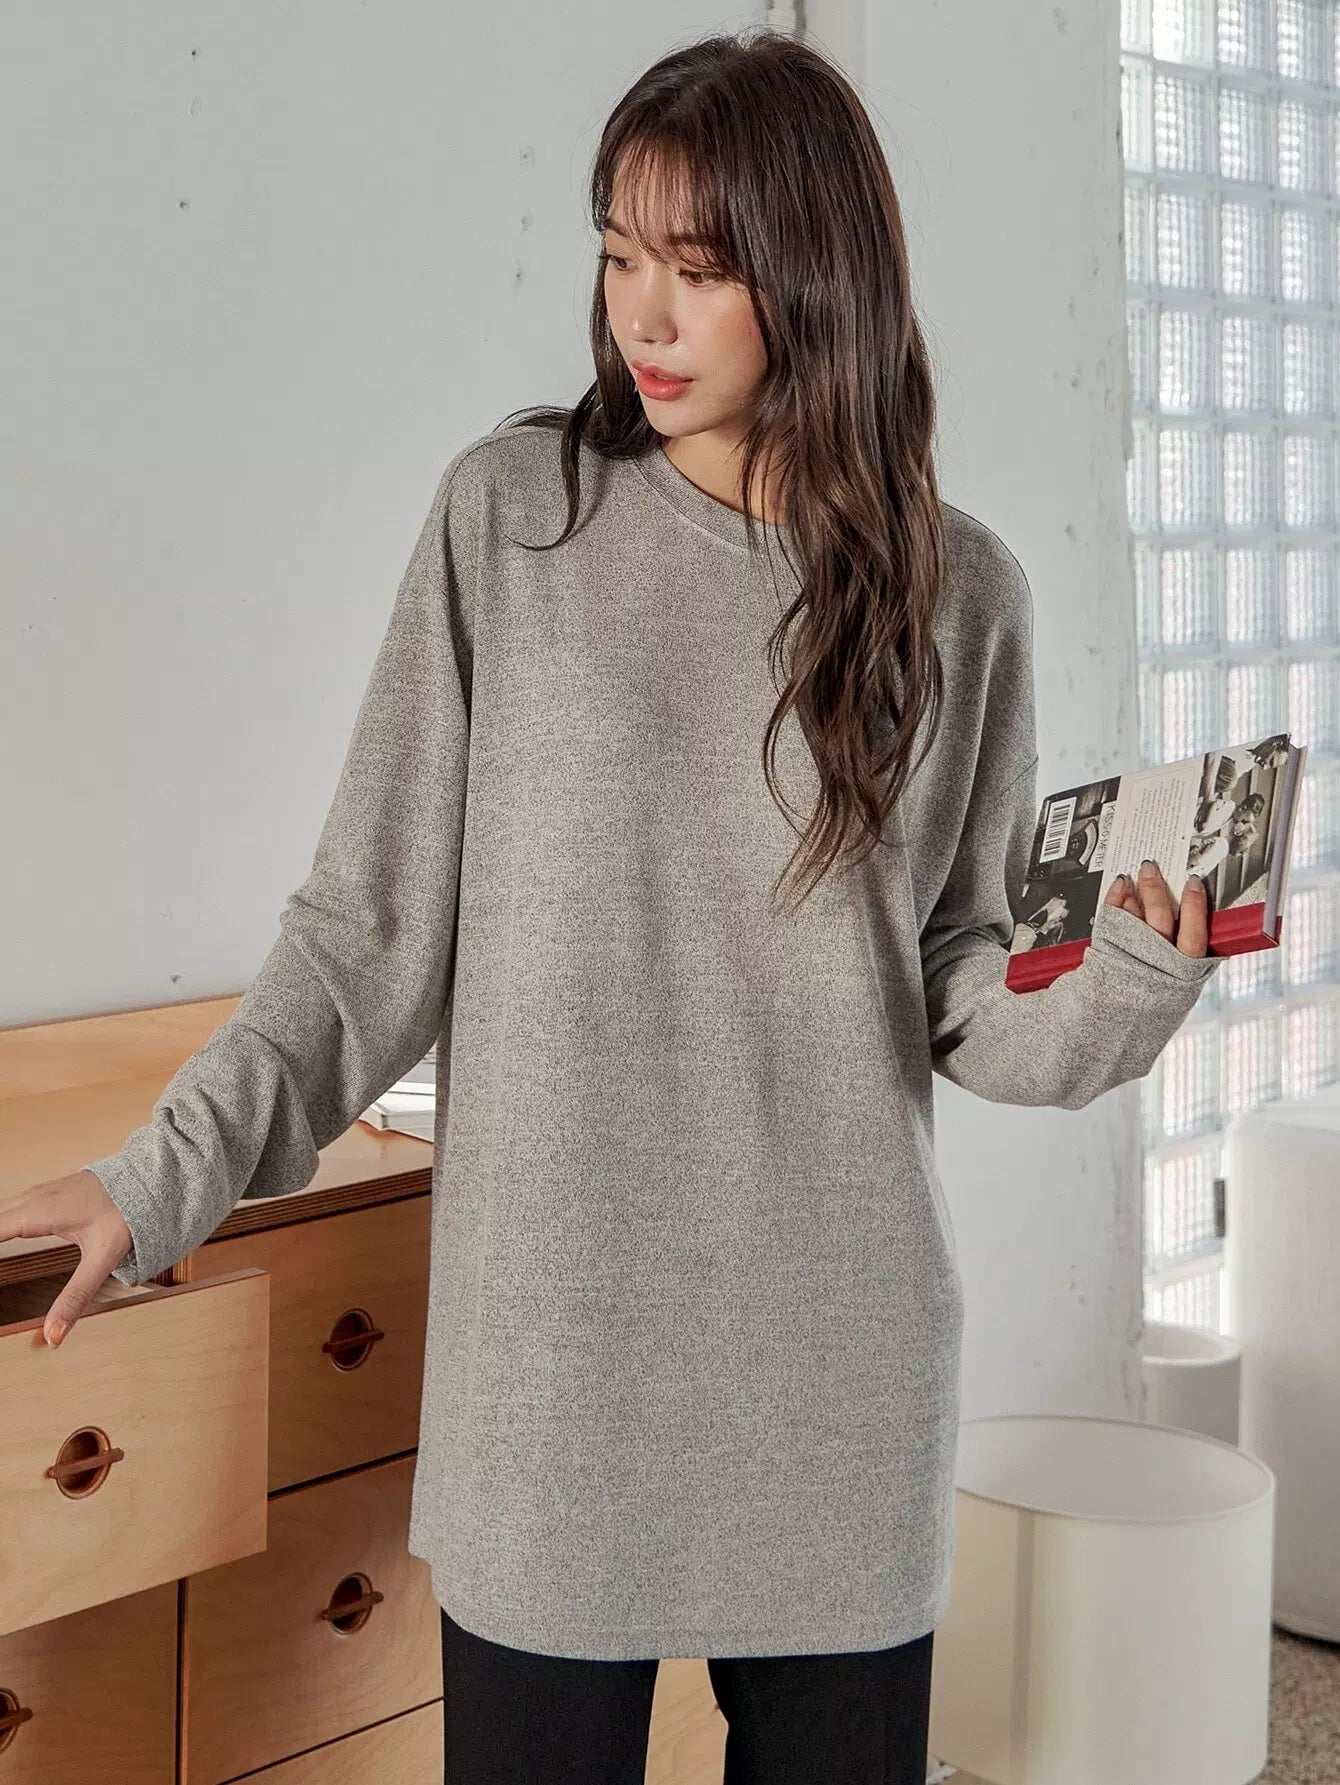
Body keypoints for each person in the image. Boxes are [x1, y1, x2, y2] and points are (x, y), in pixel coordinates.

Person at [1, 29, 1220, 1785]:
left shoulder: (962, 595)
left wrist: (1135, 971)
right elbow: (364, 936)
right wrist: (157, 1175)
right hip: (554, 1373)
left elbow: (961, 981)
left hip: (838, 1385)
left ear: (814, 277)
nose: (644, 314)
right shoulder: (514, 520)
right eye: (619, 253)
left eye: (700, 270)